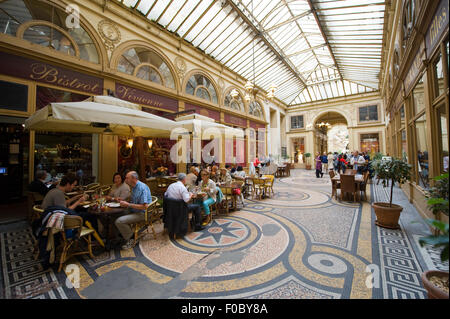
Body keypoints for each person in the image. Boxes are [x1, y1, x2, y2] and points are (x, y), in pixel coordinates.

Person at [115, 171, 152, 250]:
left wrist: (128, 204)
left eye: (127, 178)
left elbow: (144, 207)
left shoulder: (142, 188)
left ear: (134, 179)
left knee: (119, 221)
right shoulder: (134, 187)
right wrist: (124, 200)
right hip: (134, 210)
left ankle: (132, 239)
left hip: (143, 213)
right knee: (116, 215)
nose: (125, 180)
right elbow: (134, 200)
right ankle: (121, 235)